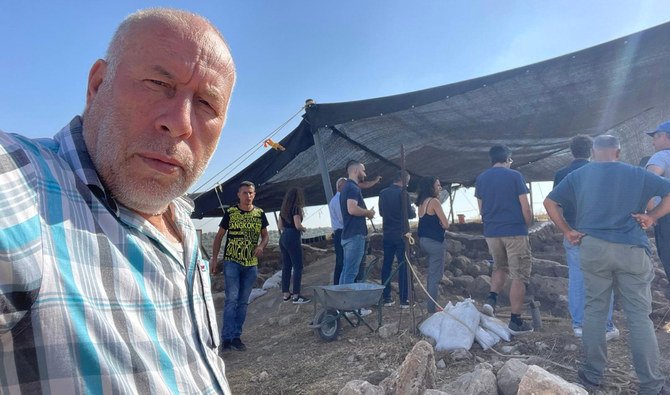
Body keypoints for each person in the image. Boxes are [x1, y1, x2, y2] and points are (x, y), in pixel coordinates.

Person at [0, 8, 235, 393]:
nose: (180, 122)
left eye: (207, 104)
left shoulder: (182, 221)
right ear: (97, 84)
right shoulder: (27, 184)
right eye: (159, 83)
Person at [544, 135, 670, 394]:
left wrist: (568, 231)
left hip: (594, 249)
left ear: (592, 151)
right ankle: (651, 384)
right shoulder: (637, 174)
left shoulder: (580, 175)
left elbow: (549, 202)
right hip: (632, 249)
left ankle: (591, 375)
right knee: (639, 317)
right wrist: (652, 217)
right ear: (619, 152)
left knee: (595, 312)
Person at [553, 135, 618, 340]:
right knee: (604, 277)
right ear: (591, 150)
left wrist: (565, 229)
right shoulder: (601, 171)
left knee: (577, 278)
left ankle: (579, 325)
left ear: (571, 151)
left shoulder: (562, 173)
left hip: (573, 231)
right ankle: (606, 325)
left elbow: (555, 204)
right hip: (599, 232)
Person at [475, 145, 534, 333]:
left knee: (500, 266)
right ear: (507, 158)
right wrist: (527, 224)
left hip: (492, 232)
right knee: (519, 275)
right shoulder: (515, 176)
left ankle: (491, 299)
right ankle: (516, 321)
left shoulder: (481, 178)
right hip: (515, 231)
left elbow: (481, 210)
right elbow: (525, 207)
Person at [211, 181, 269, 352]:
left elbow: (265, 236)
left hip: (251, 264)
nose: (248, 196)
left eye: (251, 192)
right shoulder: (231, 212)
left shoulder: (259, 214)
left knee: (243, 302)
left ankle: (236, 336)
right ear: (238, 195)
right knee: (231, 300)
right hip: (232, 262)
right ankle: (226, 338)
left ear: (254, 194)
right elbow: (219, 236)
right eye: (245, 192)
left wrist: (261, 246)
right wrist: (214, 258)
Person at [379, 170, 416, 307]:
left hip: (387, 233)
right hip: (401, 234)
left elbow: (382, 212)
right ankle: (404, 299)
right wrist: (413, 210)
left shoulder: (383, 193)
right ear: (403, 180)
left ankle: (386, 297)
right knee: (403, 264)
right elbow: (410, 214)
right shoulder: (403, 193)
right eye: (408, 181)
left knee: (386, 265)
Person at [339, 160, 376, 285]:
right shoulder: (353, 187)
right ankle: (349, 304)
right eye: (363, 170)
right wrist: (368, 213)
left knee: (346, 270)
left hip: (348, 235)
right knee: (351, 273)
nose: (365, 173)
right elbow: (352, 209)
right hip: (355, 235)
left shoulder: (345, 188)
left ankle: (341, 302)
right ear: (355, 170)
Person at [416, 176, 450, 313]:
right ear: (431, 187)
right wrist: (442, 223)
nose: (440, 188)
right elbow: (446, 224)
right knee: (435, 276)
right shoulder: (434, 202)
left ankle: (431, 304)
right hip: (435, 242)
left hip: (423, 241)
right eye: (438, 185)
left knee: (431, 274)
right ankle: (432, 308)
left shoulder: (420, 203)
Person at [645, 121, 670, 293]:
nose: (653, 142)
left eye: (655, 137)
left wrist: (651, 213)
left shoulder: (662, 156)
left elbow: (647, 182)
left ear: (664, 136)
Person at [278, 187, 310, 304]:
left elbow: (280, 226)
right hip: (292, 235)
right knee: (298, 266)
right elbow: (297, 225)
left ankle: (286, 294)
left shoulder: (283, 210)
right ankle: (296, 295)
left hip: (284, 236)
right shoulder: (296, 208)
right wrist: (303, 228)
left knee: (286, 266)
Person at [329, 177, 348, 284]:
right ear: (340, 186)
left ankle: (338, 284)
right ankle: (338, 285)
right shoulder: (338, 200)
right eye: (345, 185)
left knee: (341, 260)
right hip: (341, 232)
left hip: (339, 232)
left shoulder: (336, 199)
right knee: (342, 261)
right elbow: (342, 218)